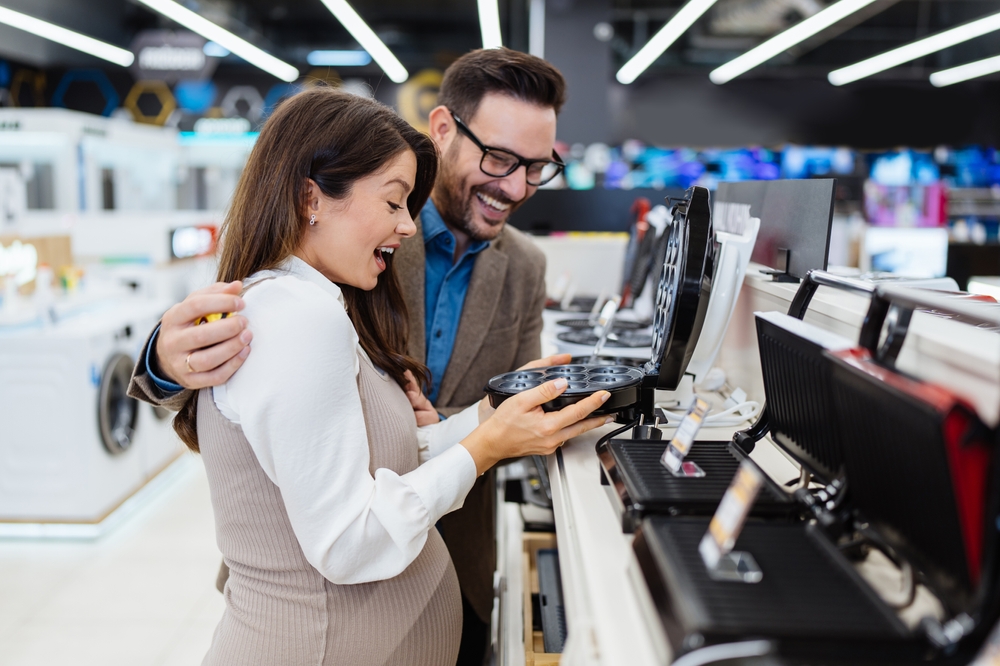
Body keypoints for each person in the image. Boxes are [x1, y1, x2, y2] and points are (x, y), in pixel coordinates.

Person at [129, 48, 568, 664]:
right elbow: (234, 363)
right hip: (317, 615)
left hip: (448, 569)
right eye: (500, 159)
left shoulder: (518, 266)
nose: (516, 185)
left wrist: (508, 411)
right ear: (443, 130)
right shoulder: (342, 257)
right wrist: (162, 361)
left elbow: (370, 438)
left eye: (536, 167)